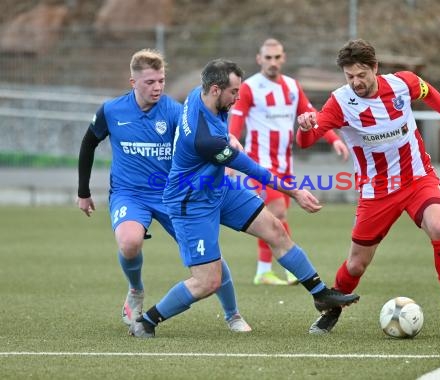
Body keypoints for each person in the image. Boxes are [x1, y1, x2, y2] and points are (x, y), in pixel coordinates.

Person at [128, 58, 360, 338]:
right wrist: (295, 191)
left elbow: (218, 134)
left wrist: (228, 138)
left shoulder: (198, 94)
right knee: (207, 281)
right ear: (215, 89)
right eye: (234, 92)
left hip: (217, 186)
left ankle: (320, 294)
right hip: (190, 203)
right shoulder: (205, 139)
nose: (238, 98)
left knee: (275, 229)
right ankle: (147, 321)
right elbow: (251, 169)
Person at [296, 39, 440, 334]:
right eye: (349, 76)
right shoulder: (340, 102)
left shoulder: (403, 83)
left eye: (361, 75)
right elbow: (307, 141)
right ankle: (332, 310)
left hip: (417, 178)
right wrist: (303, 127)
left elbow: (431, 94)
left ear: (375, 68)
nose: (356, 82)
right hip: (375, 191)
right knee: (355, 265)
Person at [77, 48, 252, 333]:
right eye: (150, 82)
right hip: (129, 193)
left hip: (173, 194)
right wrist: (83, 191)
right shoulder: (111, 111)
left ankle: (232, 314)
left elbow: (203, 132)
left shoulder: (173, 111)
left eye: (161, 80)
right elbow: (88, 144)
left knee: (211, 256)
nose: (157, 87)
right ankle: (135, 291)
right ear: (133, 82)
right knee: (129, 242)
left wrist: (229, 138)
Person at [229, 38, 349, 286]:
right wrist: (230, 156)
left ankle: (269, 270)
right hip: (259, 164)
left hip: (285, 165)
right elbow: (235, 124)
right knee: (277, 212)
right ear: (259, 59)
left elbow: (312, 116)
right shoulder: (250, 88)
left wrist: (333, 138)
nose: (273, 62)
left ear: (283, 58)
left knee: (276, 216)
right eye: (268, 57)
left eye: (277, 57)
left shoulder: (293, 86)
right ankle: (283, 269)